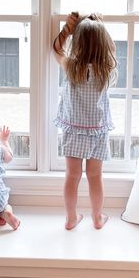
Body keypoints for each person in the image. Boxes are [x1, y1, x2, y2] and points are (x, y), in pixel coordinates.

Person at [53, 12, 117, 230]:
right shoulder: (105, 69)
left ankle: (71, 218)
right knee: (95, 176)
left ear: (77, 42)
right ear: (103, 44)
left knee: (72, 176)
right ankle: (97, 218)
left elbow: (56, 49)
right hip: (98, 131)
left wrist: (68, 29)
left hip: (74, 130)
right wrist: (99, 24)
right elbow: (112, 48)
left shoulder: (71, 67)